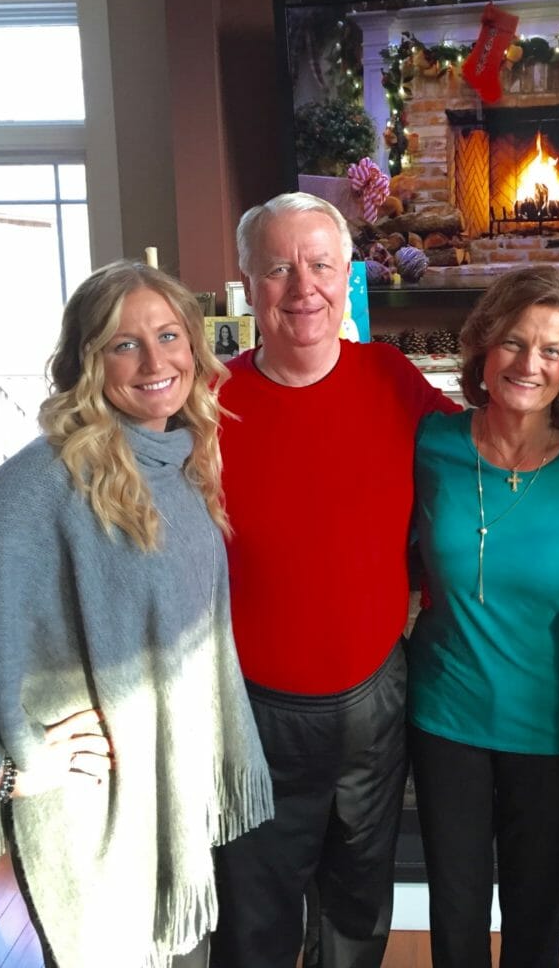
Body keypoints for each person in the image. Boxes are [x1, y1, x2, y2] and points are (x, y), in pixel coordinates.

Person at [0, 260, 273, 968]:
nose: (154, 361)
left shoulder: (177, 461)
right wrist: (3, 769)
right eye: (123, 344)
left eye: (169, 335)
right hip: (88, 831)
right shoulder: (42, 483)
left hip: (166, 813)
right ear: (86, 362)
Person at [209, 192, 458, 968]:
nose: (302, 286)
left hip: (373, 702)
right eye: (279, 268)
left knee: (357, 907)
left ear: (348, 272)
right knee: (254, 917)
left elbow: (488, 449)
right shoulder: (205, 401)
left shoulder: (389, 377)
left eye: (319, 264)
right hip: (249, 711)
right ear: (248, 283)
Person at [406, 267, 559, 968]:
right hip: (445, 719)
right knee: (457, 912)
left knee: (536, 917)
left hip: (552, 723)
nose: (529, 364)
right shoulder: (431, 445)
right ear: (483, 348)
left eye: (551, 351)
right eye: (513, 342)